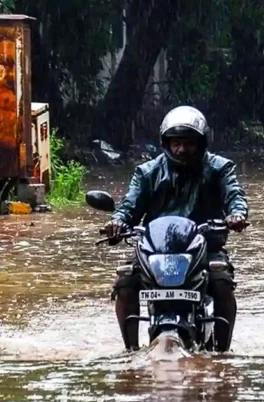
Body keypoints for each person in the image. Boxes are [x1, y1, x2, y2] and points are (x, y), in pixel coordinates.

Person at [104, 106, 249, 352]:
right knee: (126, 281)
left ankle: (222, 352)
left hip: (206, 247)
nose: (182, 149)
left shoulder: (219, 168)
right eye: (176, 143)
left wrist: (237, 214)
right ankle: (129, 351)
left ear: (202, 143)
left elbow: (235, 195)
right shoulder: (148, 172)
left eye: (189, 143)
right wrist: (118, 221)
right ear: (166, 143)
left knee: (222, 282)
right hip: (155, 250)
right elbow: (130, 205)